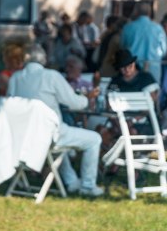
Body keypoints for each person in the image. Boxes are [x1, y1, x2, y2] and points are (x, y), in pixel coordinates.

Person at [8, 46, 103, 197]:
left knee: (60, 143)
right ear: (44, 60)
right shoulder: (51, 76)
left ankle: (71, 182)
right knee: (94, 139)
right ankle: (88, 186)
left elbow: (10, 104)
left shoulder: (15, 78)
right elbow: (74, 103)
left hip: (22, 137)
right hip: (49, 135)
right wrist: (88, 98)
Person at [121, 2, 167, 82]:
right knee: (152, 92)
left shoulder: (128, 27)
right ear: (149, 13)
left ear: (136, 11)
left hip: (132, 67)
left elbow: (122, 47)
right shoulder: (158, 28)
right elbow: (164, 49)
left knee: (133, 93)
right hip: (153, 66)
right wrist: (155, 57)